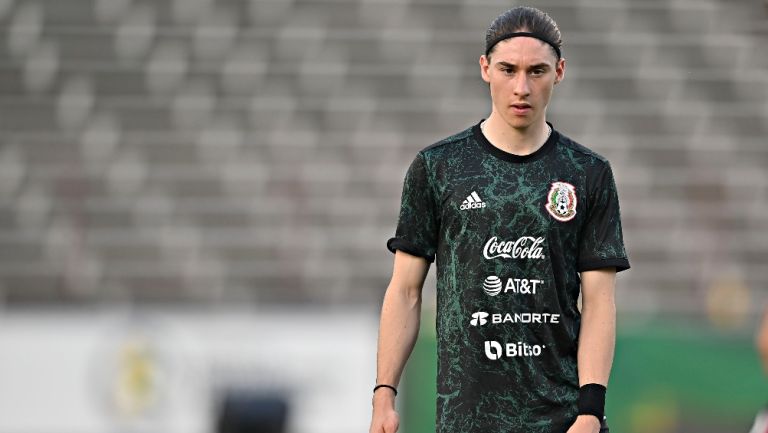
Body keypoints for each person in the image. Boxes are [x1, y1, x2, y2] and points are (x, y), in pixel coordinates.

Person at [369, 6, 630, 433]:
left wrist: (591, 410)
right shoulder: (438, 167)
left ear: (559, 72)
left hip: (561, 418)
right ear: (485, 68)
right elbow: (406, 290)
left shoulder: (587, 173)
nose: (522, 87)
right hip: (467, 417)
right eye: (508, 69)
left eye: (537, 71)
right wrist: (384, 394)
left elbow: (599, 300)